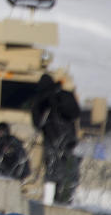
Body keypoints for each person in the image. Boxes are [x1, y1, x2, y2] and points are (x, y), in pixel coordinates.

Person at [31, 73, 81, 204]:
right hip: (58, 143)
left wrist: (56, 101)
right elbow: (38, 122)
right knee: (59, 177)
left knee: (64, 178)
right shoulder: (43, 101)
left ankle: (62, 203)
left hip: (64, 143)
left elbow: (74, 113)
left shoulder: (62, 96)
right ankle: (59, 203)